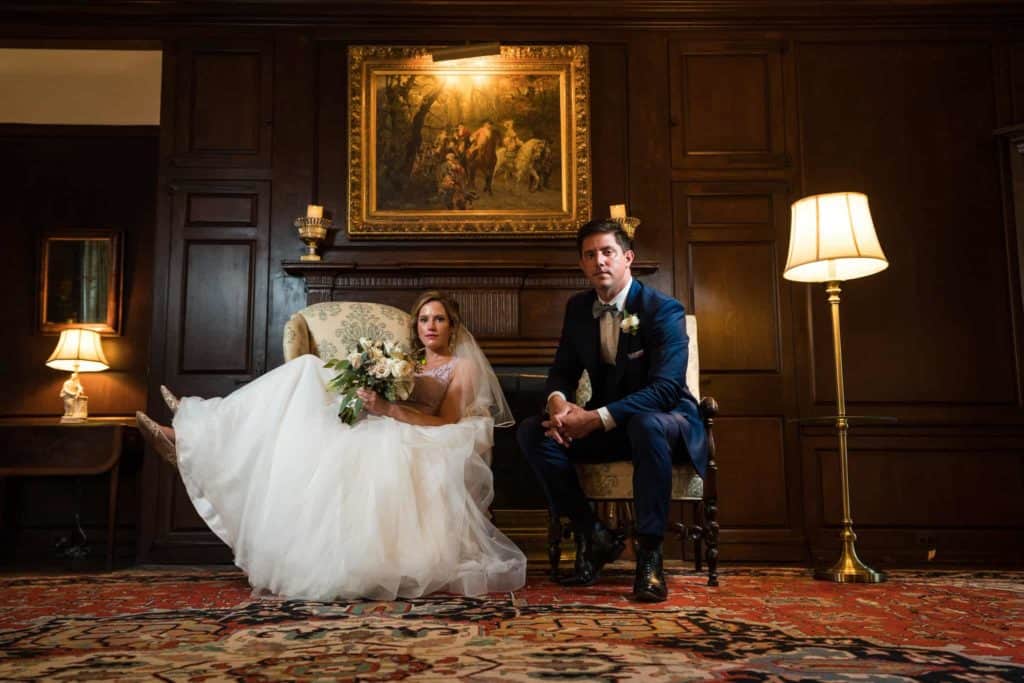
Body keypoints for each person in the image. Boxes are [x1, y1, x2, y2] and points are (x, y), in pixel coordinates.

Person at [136, 291, 525, 601]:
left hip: (426, 433)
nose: (430, 325)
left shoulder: (461, 366)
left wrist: (388, 409)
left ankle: (195, 430)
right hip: (386, 419)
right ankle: (199, 430)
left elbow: (446, 421)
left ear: (451, 325)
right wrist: (366, 398)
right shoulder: (406, 361)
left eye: (438, 318)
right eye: (424, 318)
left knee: (309, 375)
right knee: (303, 397)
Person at [517, 218, 707, 603]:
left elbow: (668, 388)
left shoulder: (663, 310)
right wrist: (558, 403)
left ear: (628, 258)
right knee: (530, 432)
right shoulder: (577, 309)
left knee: (647, 425)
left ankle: (650, 557)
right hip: (610, 425)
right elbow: (562, 372)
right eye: (590, 255)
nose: (599, 261)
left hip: (667, 424)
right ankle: (594, 534)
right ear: (583, 264)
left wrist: (595, 418)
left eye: (608, 252)